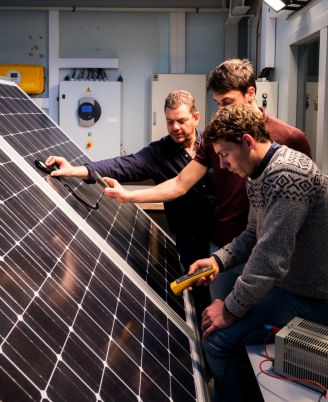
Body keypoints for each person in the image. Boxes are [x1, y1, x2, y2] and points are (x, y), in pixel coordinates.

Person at [188, 104, 328, 402]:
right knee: (225, 337)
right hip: (289, 289)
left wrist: (230, 308)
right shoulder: (258, 172)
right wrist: (218, 260)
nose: (220, 164)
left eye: (224, 154)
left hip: (317, 301)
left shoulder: (287, 175)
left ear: (248, 141)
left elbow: (270, 259)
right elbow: (253, 235)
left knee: (216, 340)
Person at [103, 59, 312, 299]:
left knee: (251, 327)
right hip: (224, 248)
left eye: (228, 102)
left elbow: (298, 210)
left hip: (265, 253)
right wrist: (128, 195)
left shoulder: (291, 139)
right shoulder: (214, 138)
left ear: (251, 93)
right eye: (218, 104)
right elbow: (180, 183)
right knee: (216, 323)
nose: (223, 110)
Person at [45, 90, 216, 320]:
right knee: (204, 311)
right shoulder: (159, 153)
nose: (175, 127)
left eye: (182, 121)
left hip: (222, 240)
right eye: (170, 121)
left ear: (195, 118)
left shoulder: (214, 145)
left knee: (227, 305)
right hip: (191, 248)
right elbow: (121, 166)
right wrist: (75, 169)